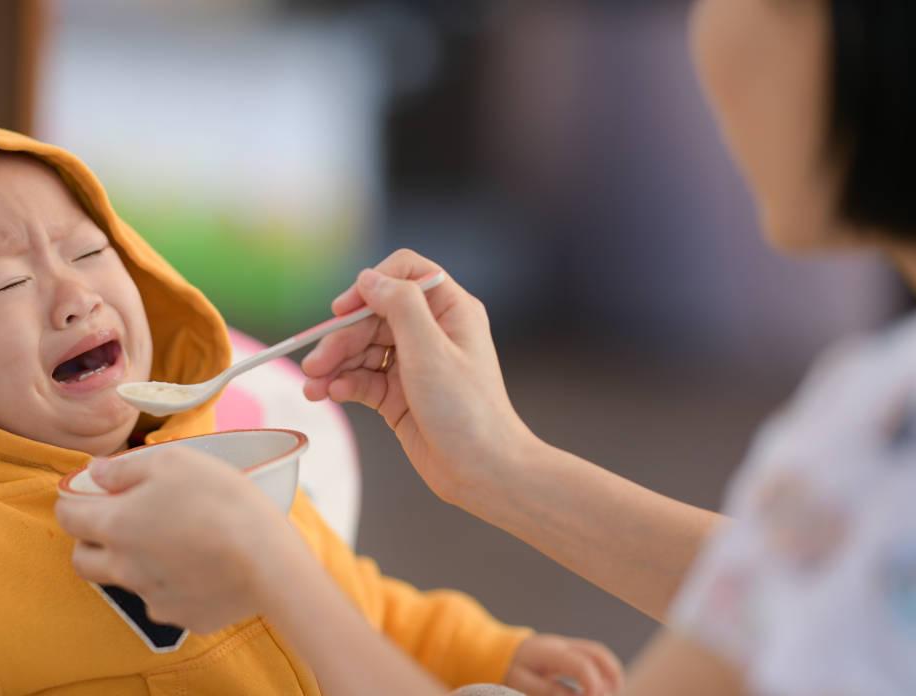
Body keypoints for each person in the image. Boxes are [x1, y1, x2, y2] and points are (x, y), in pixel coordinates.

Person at [56, 0, 916, 694]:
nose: (707, 33)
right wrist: (500, 464)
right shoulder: (871, 430)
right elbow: (810, 586)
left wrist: (276, 577)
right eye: (2, 286)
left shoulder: (878, 432)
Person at [0, 123, 621, 695]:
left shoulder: (228, 453)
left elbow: (351, 600)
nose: (74, 295)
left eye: (90, 251)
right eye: (6, 285)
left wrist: (490, 651)